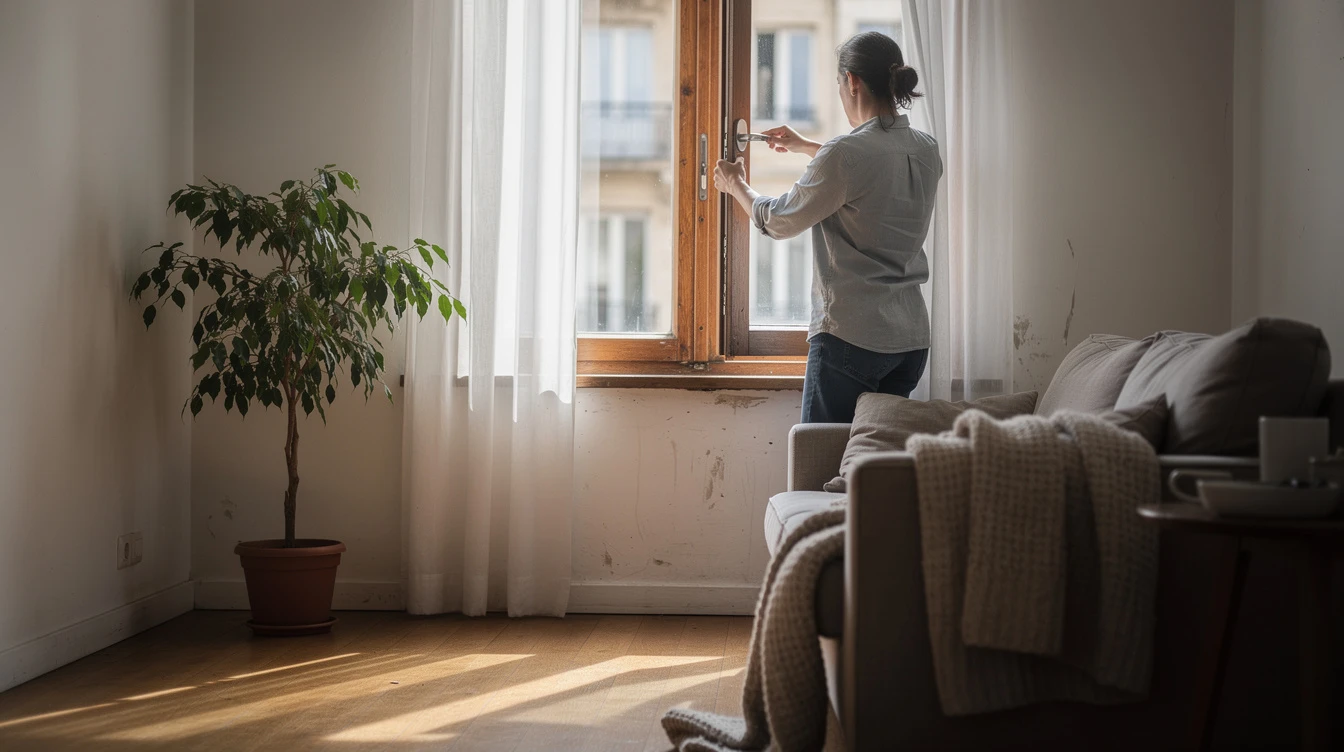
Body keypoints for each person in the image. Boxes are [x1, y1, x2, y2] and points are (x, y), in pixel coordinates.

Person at [714, 32, 942, 424]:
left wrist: (734, 183)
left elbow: (780, 220)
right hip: (909, 343)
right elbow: (873, 174)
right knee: (872, 468)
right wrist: (808, 147)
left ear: (852, 81)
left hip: (852, 338)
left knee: (820, 467)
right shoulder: (926, 148)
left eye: (839, 83)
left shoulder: (845, 154)